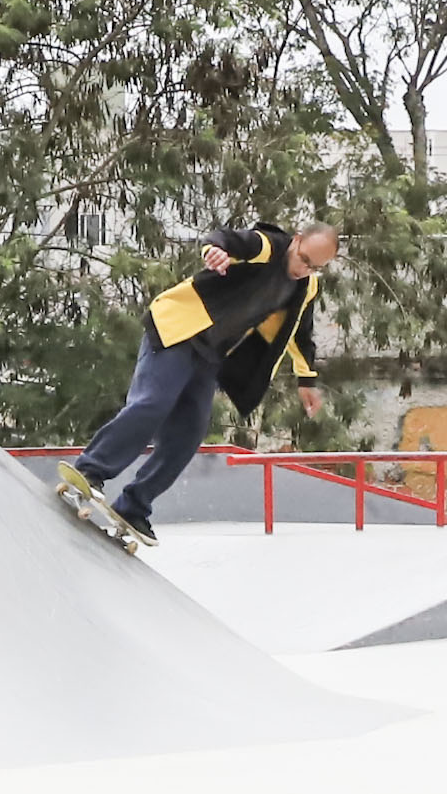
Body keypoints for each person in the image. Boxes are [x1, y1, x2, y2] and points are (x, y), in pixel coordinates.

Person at [59, 220, 339, 548]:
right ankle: (91, 470)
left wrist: (307, 380)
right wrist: (216, 251)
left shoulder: (306, 287)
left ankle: (134, 505)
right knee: (153, 403)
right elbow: (228, 238)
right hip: (177, 330)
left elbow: (301, 334)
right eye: (304, 259)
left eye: (316, 267)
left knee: (189, 434)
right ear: (297, 241)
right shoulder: (269, 247)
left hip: (210, 354)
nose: (303, 270)